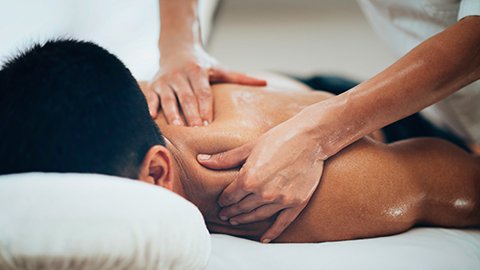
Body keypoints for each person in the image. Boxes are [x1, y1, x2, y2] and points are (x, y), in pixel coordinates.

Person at [1, 40, 479, 243]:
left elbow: (462, 184)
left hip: (389, 124)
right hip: (277, 87)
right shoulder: (110, 110)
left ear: (159, 172)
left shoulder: (323, 197)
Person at [150, 0, 480, 242]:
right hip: (321, 93)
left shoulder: (337, 189)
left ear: (157, 171)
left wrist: (316, 135)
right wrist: (179, 43)